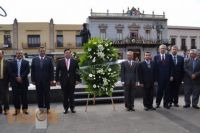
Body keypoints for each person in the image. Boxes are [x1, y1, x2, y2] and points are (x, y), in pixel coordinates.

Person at [56, 49, 80, 114]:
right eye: (66, 53)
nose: (68, 54)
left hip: (72, 81)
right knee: (65, 96)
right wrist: (57, 80)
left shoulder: (74, 61)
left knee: (71, 96)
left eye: (69, 53)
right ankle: (65, 109)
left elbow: (77, 71)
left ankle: (72, 108)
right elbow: (57, 72)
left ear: (70, 54)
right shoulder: (60, 62)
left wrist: (78, 80)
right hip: (63, 81)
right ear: (64, 54)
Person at [31, 46, 54, 113]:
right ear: (39, 51)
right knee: (39, 95)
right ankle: (40, 108)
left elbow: (51, 70)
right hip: (38, 81)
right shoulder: (34, 59)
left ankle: (47, 108)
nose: (42, 52)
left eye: (43, 51)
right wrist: (33, 80)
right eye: (41, 51)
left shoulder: (49, 59)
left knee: (47, 95)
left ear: (45, 51)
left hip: (46, 81)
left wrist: (52, 79)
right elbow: (32, 70)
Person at [9, 50, 30, 115]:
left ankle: (25, 110)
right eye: (18, 53)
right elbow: (10, 72)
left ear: (22, 54)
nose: (19, 54)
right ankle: (17, 110)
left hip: (23, 81)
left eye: (20, 53)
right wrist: (16, 77)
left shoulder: (26, 62)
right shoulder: (11, 62)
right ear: (16, 54)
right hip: (14, 82)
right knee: (15, 96)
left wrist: (21, 77)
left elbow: (27, 71)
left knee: (24, 96)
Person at [154, 44, 174, 109]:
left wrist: (171, 75)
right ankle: (157, 103)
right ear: (159, 49)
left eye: (164, 48)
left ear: (166, 49)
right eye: (161, 48)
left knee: (167, 91)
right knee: (159, 91)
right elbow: (155, 69)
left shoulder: (169, 56)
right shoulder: (156, 57)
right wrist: (156, 79)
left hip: (168, 77)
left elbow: (172, 67)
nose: (162, 49)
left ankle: (166, 104)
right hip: (159, 78)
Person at [0, 50, 10, 115]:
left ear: (3, 54)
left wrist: (9, 81)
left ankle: (6, 109)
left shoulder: (7, 62)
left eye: (0, 54)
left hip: (4, 81)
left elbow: (9, 73)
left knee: (5, 96)